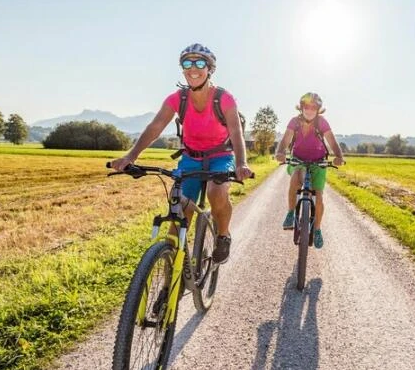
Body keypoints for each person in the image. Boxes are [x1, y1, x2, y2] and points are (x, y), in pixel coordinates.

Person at [110, 43, 252, 264]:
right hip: (191, 157)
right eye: (187, 63)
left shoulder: (223, 98)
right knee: (179, 209)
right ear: (182, 68)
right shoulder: (178, 99)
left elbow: (236, 130)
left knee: (217, 192)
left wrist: (241, 163)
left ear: (210, 68)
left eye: (199, 62)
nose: (193, 68)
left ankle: (223, 235)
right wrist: (131, 156)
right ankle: (170, 278)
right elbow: (155, 127)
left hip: (220, 156)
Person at [274, 92, 344, 248]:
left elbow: (332, 141)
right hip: (298, 159)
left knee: (318, 196)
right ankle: (291, 213)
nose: (310, 110)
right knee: (296, 175)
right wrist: (280, 152)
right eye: (306, 106)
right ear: (302, 107)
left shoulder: (322, 122)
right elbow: (285, 139)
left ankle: (317, 229)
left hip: (318, 162)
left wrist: (339, 156)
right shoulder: (295, 121)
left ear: (318, 109)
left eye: (314, 107)